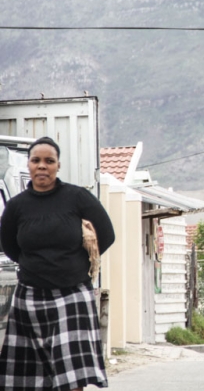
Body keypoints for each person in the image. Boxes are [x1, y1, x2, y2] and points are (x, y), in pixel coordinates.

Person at [0, 136, 116, 391]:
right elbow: (9, 245)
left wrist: (75, 265)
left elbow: (106, 234)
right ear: (29, 165)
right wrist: (36, 265)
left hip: (73, 295)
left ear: (58, 166)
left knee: (71, 375)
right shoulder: (17, 206)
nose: (42, 166)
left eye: (49, 161)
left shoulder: (78, 198)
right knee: (32, 374)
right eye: (36, 160)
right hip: (30, 296)